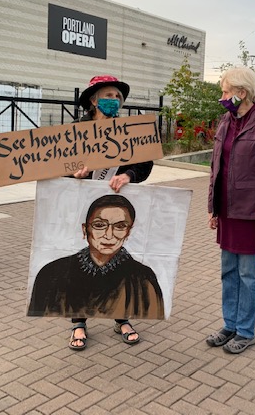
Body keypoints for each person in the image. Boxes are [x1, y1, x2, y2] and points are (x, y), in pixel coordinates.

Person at [62, 75, 154, 349]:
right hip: (82, 208)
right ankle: (79, 322)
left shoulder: (129, 131)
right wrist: (73, 172)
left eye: (117, 96)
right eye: (108, 95)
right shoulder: (76, 131)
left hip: (116, 206)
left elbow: (144, 164)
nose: (114, 101)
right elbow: (56, 167)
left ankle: (121, 317)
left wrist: (128, 174)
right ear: (93, 100)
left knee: (118, 260)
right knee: (80, 262)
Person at [206, 66, 255, 355]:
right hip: (227, 210)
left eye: (227, 92)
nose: (223, 97)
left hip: (252, 213)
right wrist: (212, 207)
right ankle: (230, 325)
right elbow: (217, 167)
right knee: (228, 271)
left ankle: (246, 331)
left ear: (242, 92)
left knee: (248, 274)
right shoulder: (226, 120)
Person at [28, 194, 165, 340]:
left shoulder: (143, 278)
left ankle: (122, 321)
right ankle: (78, 324)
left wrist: (130, 174)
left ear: (128, 232)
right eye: (99, 225)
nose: (109, 235)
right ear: (85, 229)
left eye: (120, 226)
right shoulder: (52, 273)